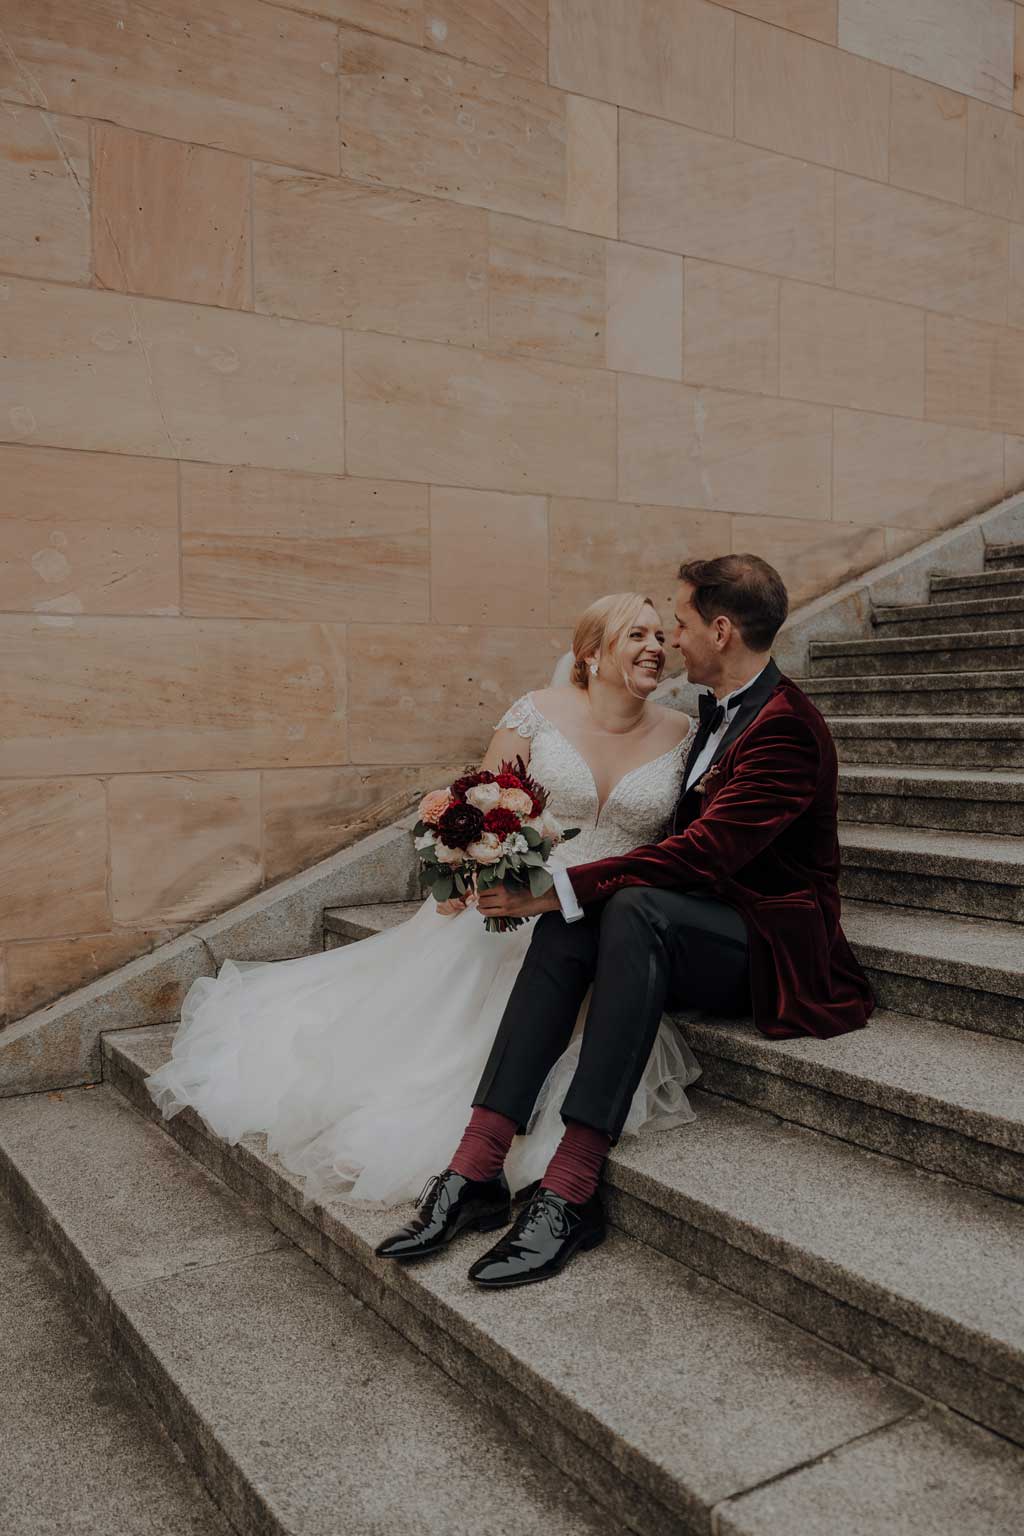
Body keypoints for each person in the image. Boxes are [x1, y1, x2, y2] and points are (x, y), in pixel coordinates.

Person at [377, 554, 873, 1287]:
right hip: (700, 916)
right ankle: (477, 1165)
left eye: (680, 619)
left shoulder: (786, 729)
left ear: (723, 629)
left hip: (772, 944)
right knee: (581, 916)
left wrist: (554, 887)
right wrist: (550, 889)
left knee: (619, 900)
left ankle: (571, 1188)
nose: (673, 636)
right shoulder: (721, 713)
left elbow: (702, 855)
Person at [144, 593, 701, 1207]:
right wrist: (472, 873)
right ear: (592, 653)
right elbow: (480, 810)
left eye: (660, 635)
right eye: (638, 635)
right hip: (516, 904)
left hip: (611, 910)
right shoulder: (537, 714)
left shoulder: (685, 734)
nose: (657, 646)